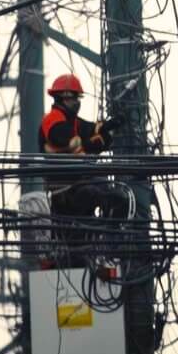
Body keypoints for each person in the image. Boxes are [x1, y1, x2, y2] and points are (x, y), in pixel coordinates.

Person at [38, 73, 126, 259]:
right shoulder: (51, 121)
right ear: (63, 98)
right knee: (95, 195)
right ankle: (104, 246)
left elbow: (94, 132)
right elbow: (71, 141)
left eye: (78, 98)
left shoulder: (74, 122)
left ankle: (109, 246)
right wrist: (91, 143)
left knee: (118, 199)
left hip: (81, 183)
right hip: (64, 191)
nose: (77, 102)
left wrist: (106, 127)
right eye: (74, 98)